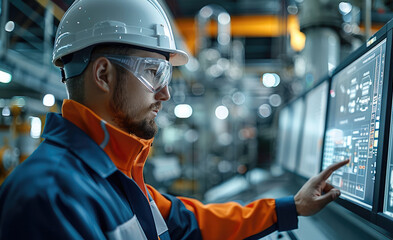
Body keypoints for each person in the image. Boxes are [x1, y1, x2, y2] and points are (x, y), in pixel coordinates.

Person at [0, 0, 349, 239]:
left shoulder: (118, 176)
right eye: (153, 73)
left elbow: (190, 222)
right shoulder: (47, 197)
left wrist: (290, 208)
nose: (164, 94)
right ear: (103, 75)